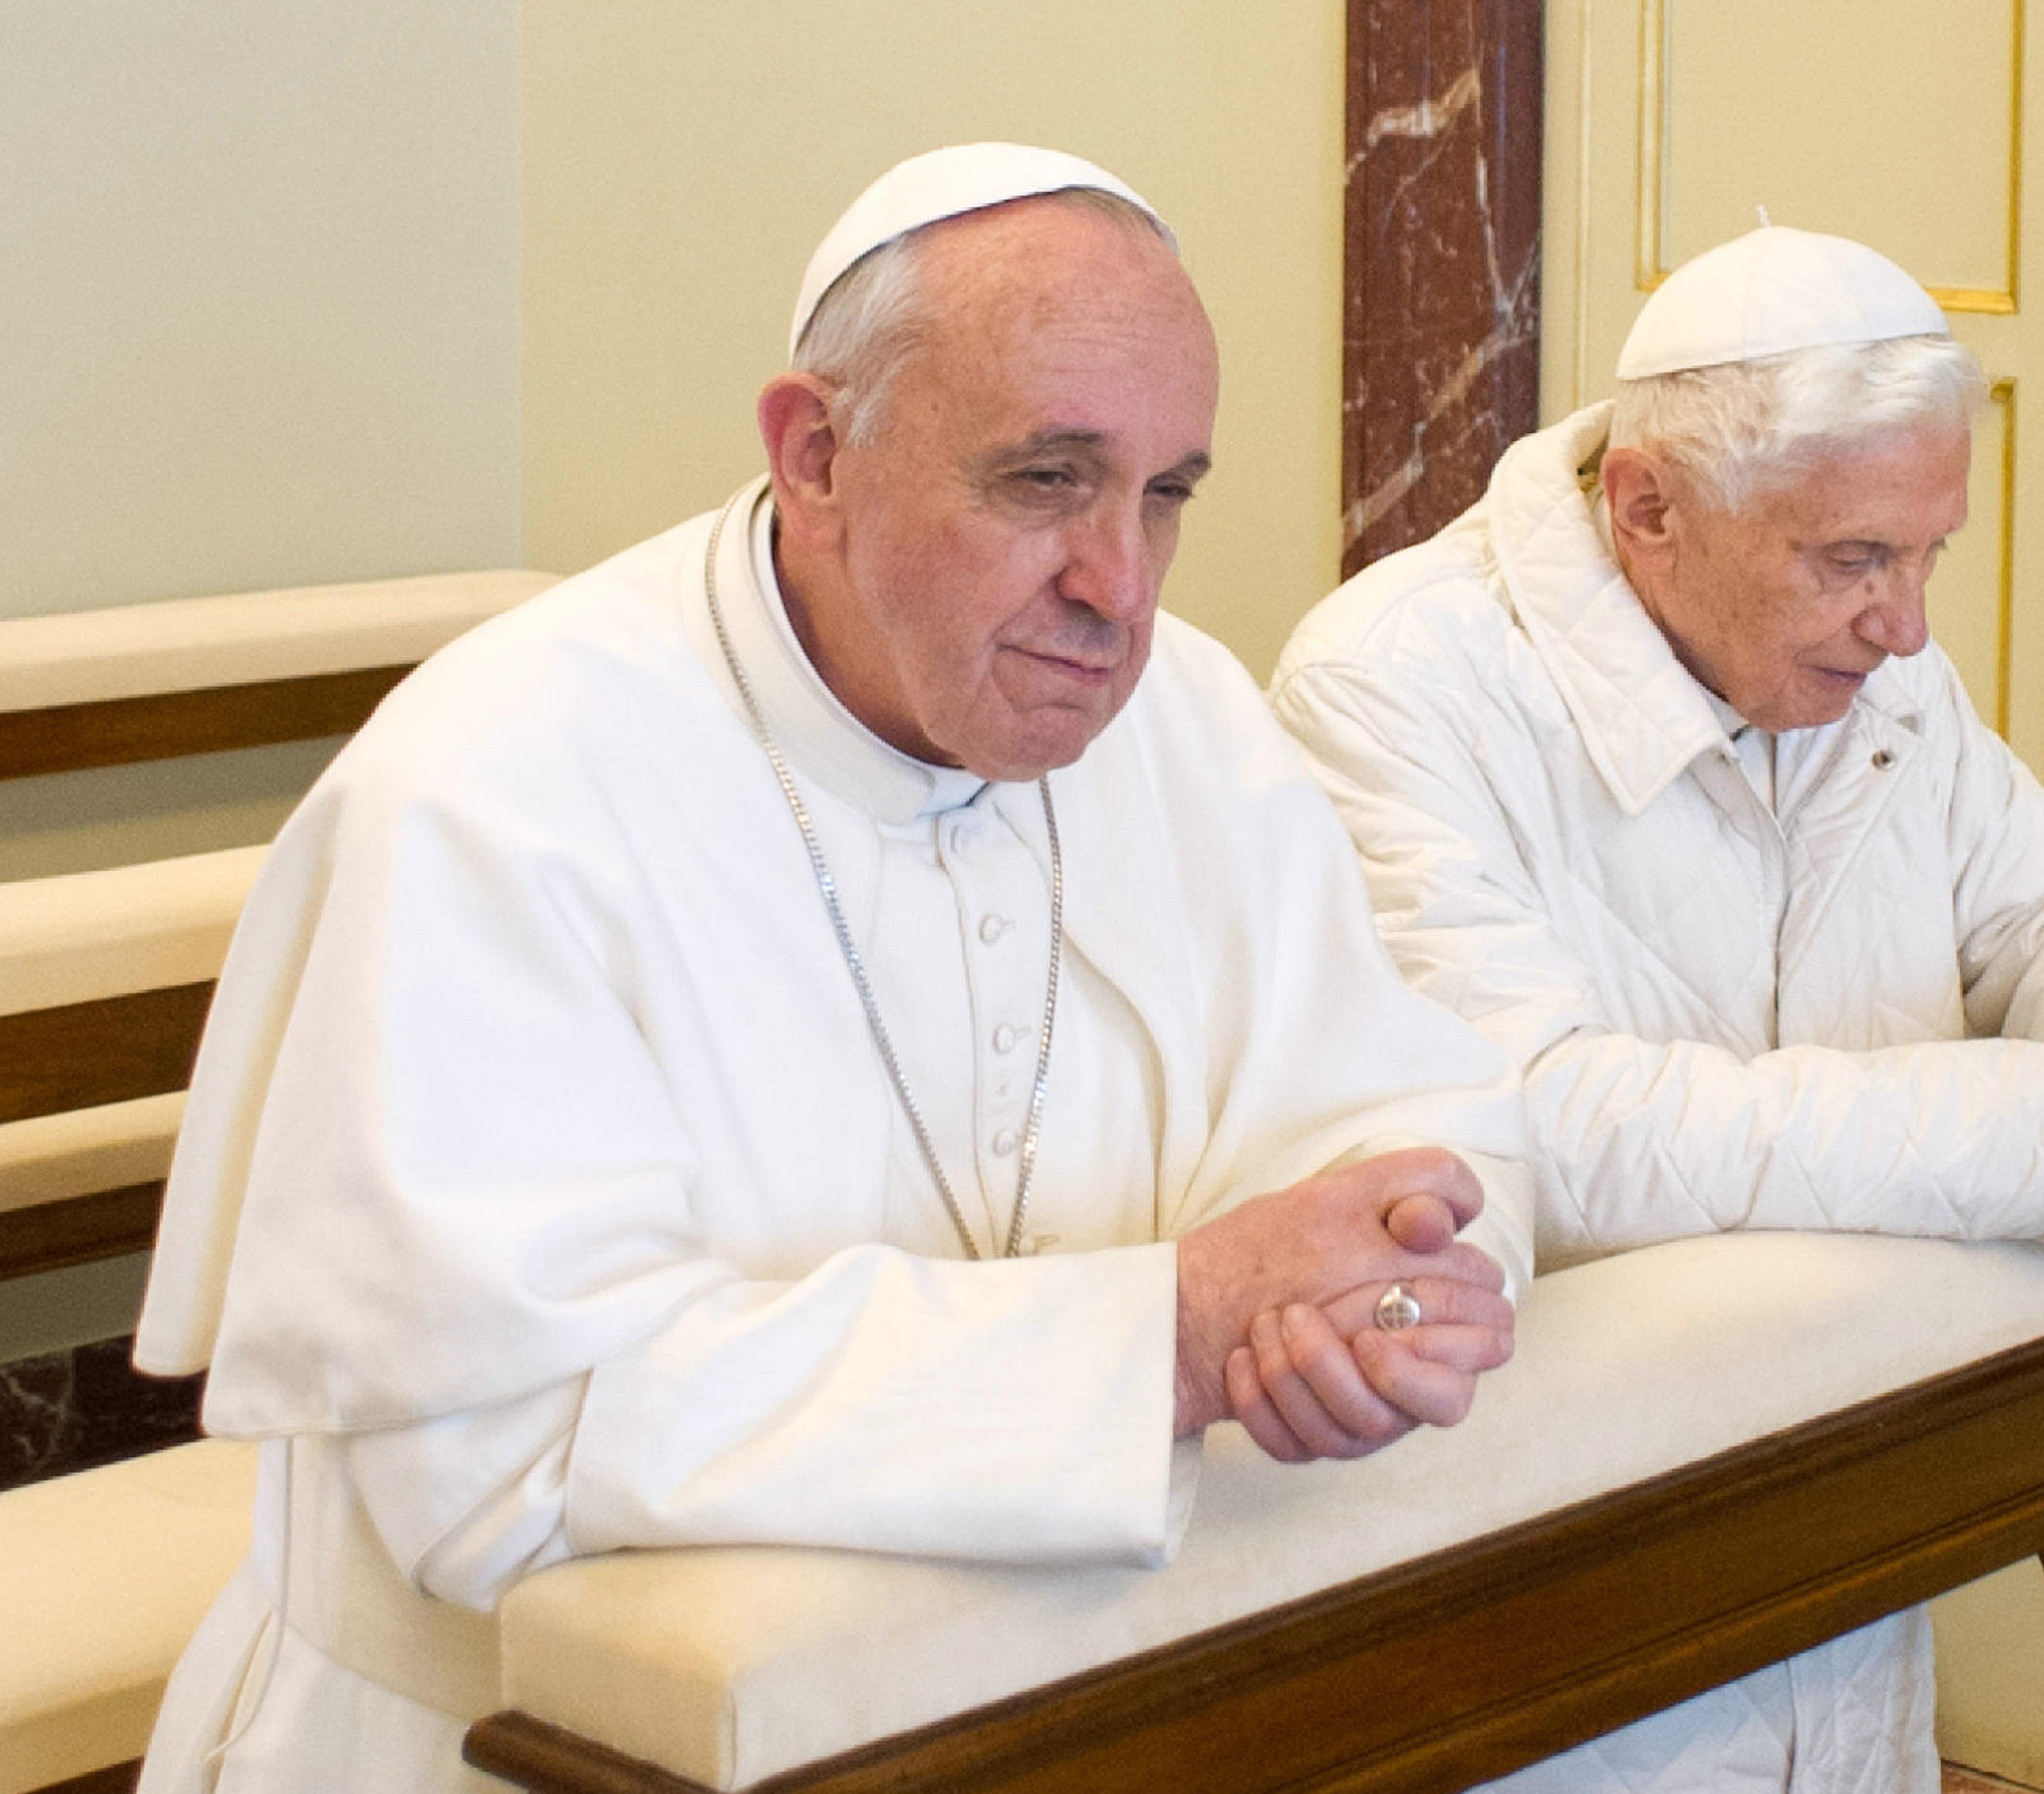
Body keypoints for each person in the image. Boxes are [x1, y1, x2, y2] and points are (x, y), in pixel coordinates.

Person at [129, 144, 1533, 1791]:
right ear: (816, 452)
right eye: (1045, 480)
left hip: (1039, 1714)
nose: (1122, 589)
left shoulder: (1191, 719)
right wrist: (1163, 1336)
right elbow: (500, 1453)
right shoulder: (495, 783)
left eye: (1167, 492)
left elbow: (1410, 1111)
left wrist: (1382, 1280)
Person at [1271, 225, 2044, 1793]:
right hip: (1568, 1548)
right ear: (1646, 505)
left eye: (1931, 555)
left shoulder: (1853, 650)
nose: (1911, 627)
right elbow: (1541, 1123)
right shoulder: (1389, 682)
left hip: (1854, 1498)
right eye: (1857, 559)